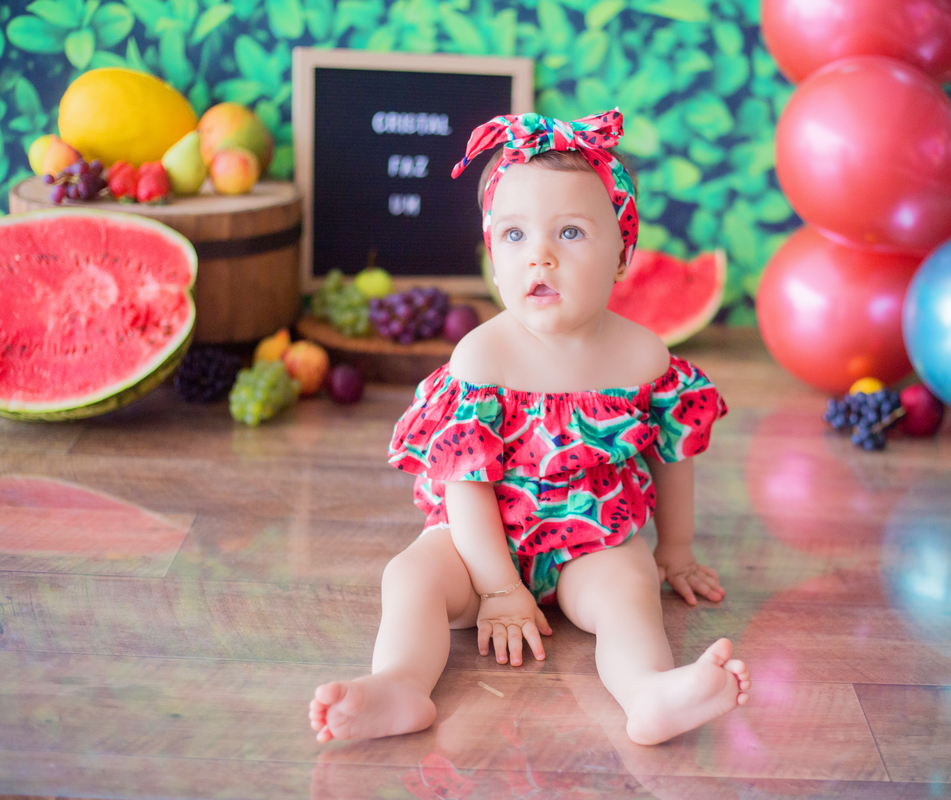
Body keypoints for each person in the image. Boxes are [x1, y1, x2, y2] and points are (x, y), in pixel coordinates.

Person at [309, 109, 749, 747]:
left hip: (592, 536)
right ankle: (400, 684)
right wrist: (497, 588)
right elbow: (465, 486)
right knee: (409, 577)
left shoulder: (644, 358)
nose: (539, 255)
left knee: (630, 590)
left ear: (623, 254)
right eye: (513, 236)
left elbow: (671, 455)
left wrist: (674, 548)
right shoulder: (481, 361)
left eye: (569, 232)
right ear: (492, 260)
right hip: (479, 541)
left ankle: (647, 690)